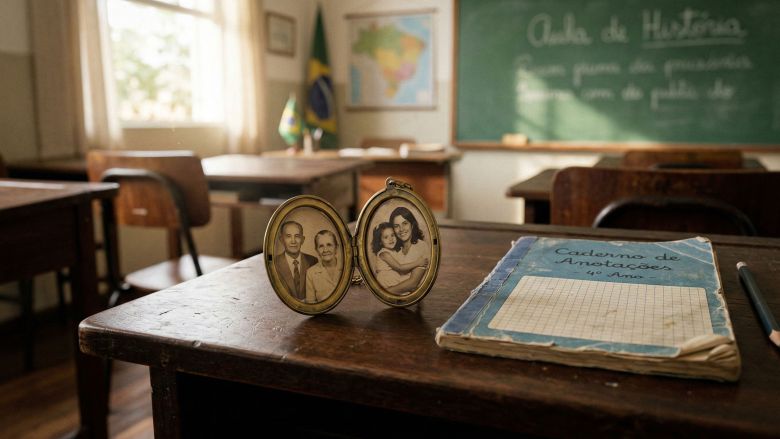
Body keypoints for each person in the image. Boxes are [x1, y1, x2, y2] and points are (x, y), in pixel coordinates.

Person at [386, 206, 430, 295]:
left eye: (405, 223)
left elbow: (413, 284)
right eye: (396, 226)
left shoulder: (421, 246)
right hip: (394, 300)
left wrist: (384, 293)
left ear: (412, 225)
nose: (401, 229)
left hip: (412, 302)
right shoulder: (395, 250)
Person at [371, 222, 427, 289]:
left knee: (410, 282)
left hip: (394, 277)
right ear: (380, 242)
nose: (391, 239)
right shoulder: (384, 254)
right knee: (409, 284)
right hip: (386, 279)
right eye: (386, 237)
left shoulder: (394, 251)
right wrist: (417, 263)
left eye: (392, 235)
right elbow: (400, 268)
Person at [274, 221, 318, 300]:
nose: (293, 241)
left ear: (302, 239)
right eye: (288, 236)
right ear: (281, 239)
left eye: (297, 236)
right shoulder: (275, 263)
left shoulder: (313, 261)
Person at [305, 230, 342, 303]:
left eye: (329, 245)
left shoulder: (347, 267)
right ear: (317, 250)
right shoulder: (311, 273)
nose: (325, 250)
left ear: (336, 247)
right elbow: (311, 303)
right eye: (321, 246)